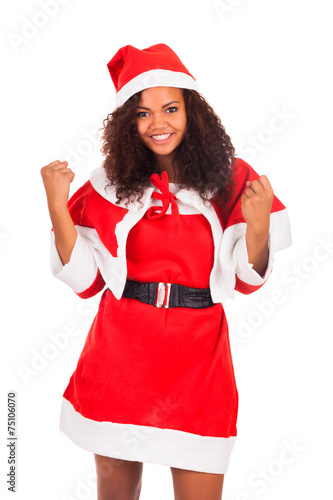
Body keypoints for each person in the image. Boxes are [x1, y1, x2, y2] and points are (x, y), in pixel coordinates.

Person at [41, 43, 292, 500]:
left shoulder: (232, 179)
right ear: (126, 123)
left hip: (199, 361)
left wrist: (257, 230)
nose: (158, 123)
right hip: (120, 355)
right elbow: (88, 283)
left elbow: (245, 279)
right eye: (142, 113)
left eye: (171, 108)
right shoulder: (107, 186)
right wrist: (58, 207)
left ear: (192, 111)